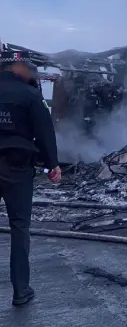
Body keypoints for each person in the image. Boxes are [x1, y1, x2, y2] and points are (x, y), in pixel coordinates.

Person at [0, 50, 61, 306]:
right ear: (17, 68)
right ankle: (20, 291)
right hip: (16, 169)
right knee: (19, 227)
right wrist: (52, 165)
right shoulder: (30, 95)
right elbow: (45, 132)